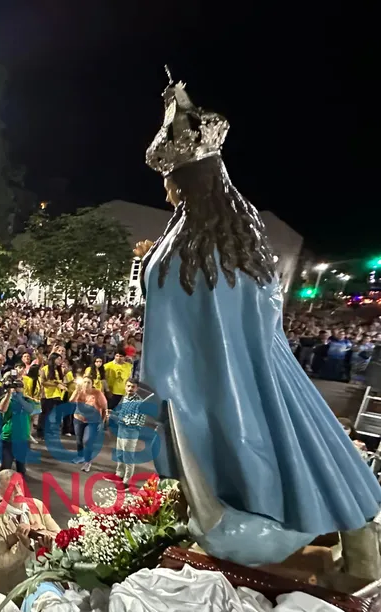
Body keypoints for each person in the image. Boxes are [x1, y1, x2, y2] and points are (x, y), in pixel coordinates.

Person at [138, 73, 381, 570]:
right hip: (264, 361)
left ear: (182, 180)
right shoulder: (242, 230)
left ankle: (263, 537)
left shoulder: (182, 245)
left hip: (203, 377)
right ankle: (359, 544)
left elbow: (170, 320)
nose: (165, 194)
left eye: (168, 183)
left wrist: (161, 383)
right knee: (304, 440)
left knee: (237, 457)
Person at [0, 470, 60, 596]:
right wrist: (22, 545)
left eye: (19, 484)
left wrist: (46, 537)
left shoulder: (37, 505)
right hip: (12, 587)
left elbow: (60, 536)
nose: (18, 491)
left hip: (41, 578)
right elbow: (0, 563)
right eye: (11, 488)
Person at [112, 378, 147, 485]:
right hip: (121, 430)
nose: (130, 388)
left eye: (133, 387)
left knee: (128, 457)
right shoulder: (125, 398)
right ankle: (119, 474)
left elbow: (137, 421)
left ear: (137, 388)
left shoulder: (139, 403)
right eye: (128, 386)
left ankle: (127, 481)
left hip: (131, 432)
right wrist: (114, 414)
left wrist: (118, 419)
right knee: (119, 454)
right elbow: (122, 414)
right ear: (125, 386)